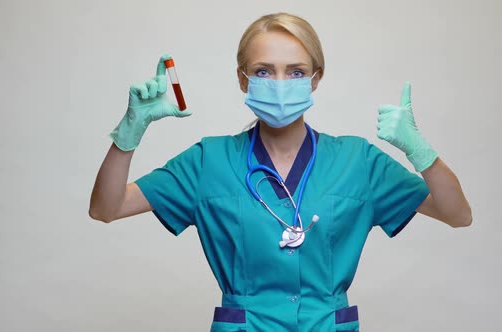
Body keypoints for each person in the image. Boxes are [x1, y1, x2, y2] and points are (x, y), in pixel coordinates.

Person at [90, 12, 472, 331]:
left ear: (315, 78)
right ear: (243, 78)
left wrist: (420, 151)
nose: (278, 83)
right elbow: (107, 208)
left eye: (295, 71)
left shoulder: (358, 161)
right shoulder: (209, 161)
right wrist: (130, 130)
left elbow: (457, 214)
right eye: (263, 70)